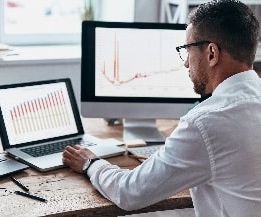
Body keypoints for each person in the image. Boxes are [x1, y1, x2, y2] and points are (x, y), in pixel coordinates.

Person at [63, 0, 261, 216]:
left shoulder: (206, 122)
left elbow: (129, 192)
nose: (186, 63)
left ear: (212, 53)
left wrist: (90, 163)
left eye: (188, 49)